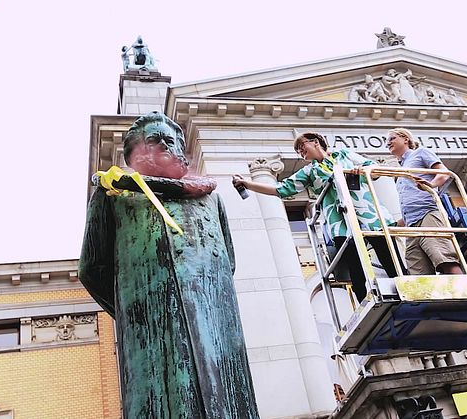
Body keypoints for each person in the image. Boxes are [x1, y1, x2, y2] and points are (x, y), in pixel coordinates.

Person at [79, 111, 259, 418]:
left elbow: (227, 260)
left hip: (214, 320)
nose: (165, 143)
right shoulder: (114, 194)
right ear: (133, 153)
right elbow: (92, 268)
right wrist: (133, 311)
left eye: (172, 139)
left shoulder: (211, 199)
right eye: (154, 139)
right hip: (149, 328)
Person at [233, 132, 399, 301]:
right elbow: (281, 189)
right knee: (355, 270)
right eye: (298, 150)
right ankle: (364, 302)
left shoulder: (344, 154)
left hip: (368, 214)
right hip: (340, 223)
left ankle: (405, 289)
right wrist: (248, 184)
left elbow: (373, 169)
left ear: (315, 142)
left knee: (389, 258)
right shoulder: (309, 171)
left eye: (301, 146)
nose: (300, 152)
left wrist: (362, 170)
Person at [386, 128, 463, 275]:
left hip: (427, 214)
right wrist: (395, 225)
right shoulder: (401, 170)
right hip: (411, 225)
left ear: (405, 139)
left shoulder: (420, 153)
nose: (388, 143)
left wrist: (431, 185)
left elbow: (444, 173)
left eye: (392, 138)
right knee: (417, 272)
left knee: (442, 257)